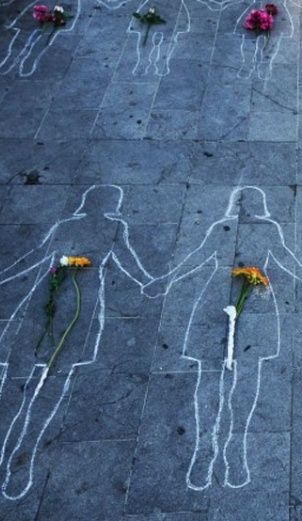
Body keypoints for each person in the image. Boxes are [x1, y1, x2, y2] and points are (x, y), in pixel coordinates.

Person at [143, 186, 302, 490]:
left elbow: (197, 257)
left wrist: (159, 282)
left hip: (248, 304)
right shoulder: (230, 228)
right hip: (244, 303)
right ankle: (211, 451)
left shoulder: (256, 229)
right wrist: (162, 281)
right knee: (227, 375)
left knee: (236, 376)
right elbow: (198, 256)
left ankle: (230, 451)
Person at [0, 185, 154, 500]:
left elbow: (33, 257)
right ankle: (24, 451)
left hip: (62, 304)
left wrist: (148, 282)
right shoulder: (105, 226)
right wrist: (149, 283)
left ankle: (20, 452)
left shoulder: (70, 225)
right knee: (51, 377)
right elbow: (126, 260)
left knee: (27, 372)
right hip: (73, 306)